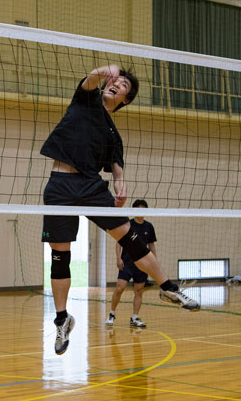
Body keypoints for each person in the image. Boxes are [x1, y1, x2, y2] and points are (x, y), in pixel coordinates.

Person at [40, 64, 199, 355]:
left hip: (91, 187)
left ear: (126, 99)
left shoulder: (113, 134)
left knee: (131, 239)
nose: (116, 84)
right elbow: (90, 78)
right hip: (60, 185)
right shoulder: (85, 100)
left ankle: (168, 287)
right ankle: (63, 320)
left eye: (123, 85)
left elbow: (116, 164)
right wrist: (105, 69)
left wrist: (120, 183)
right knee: (60, 256)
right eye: (115, 81)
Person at [106, 199, 156, 328]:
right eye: (139, 209)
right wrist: (118, 258)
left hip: (143, 263)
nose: (141, 212)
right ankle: (112, 313)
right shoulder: (127, 225)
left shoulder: (149, 226)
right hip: (127, 262)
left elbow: (151, 245)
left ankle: (134, 318)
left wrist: (154, 262)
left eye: (144, 210)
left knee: (139, 291)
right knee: (120, 287)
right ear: (134, 210)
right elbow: (118, 242)